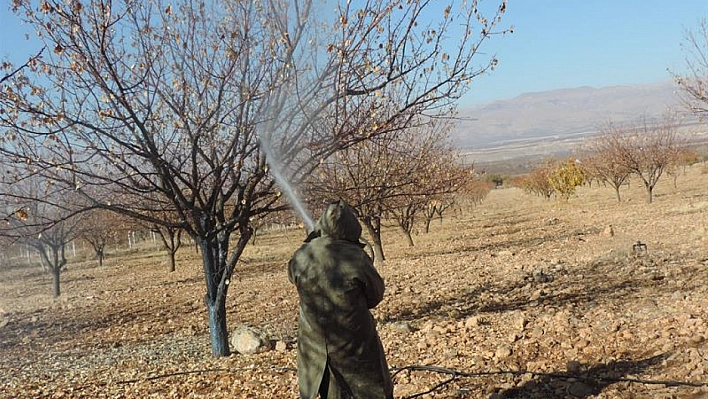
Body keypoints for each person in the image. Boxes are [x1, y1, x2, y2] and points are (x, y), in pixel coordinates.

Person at [288, 200, 393, 399]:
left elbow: (293, 277)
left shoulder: (301, 255)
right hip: (354, 344)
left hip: (314, 345)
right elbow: (375, 295)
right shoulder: (356, 256)